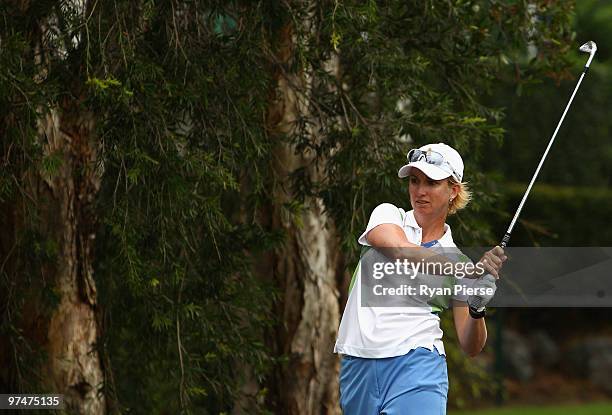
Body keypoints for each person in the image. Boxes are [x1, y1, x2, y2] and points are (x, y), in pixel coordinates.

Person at [334, 142, 507, 415]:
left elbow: (470, 345)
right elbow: (402, 251)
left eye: (431, 182)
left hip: (418, 363)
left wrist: (477, 309)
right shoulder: (388, 216)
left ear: (453, 191)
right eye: (414, 181)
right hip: (359, 364)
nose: (419, 191)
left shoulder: (458, 262)